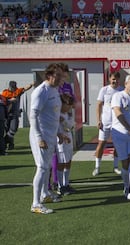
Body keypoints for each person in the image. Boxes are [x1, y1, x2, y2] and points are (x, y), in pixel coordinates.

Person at [29, 63, 65, 214]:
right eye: (58, 76)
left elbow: (53, 116)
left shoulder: (54, 90)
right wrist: (39, 138)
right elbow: (33, 116)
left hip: (50, 135)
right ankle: (36, 204)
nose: (61, 79)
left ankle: (44, 194)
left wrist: (58, 132)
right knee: (42, 168)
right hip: (42, 136)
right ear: (49, 75)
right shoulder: (40, 91)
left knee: (47, 167)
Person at [92, 72, 123, 176]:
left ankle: (115, 167)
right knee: (101, 144)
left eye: (117, 79)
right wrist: (98, 120)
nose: (115, 81)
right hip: (105, 122)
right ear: (109, 79)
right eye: (113, 79)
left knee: (117, 145)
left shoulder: (122, 90)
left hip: (117, 123)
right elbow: (99, 105)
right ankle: (97, 167)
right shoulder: (104, 90)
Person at [2, 80, 33, 150]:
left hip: (14, 114)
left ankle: (3, 142)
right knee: (7, 130)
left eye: (15, 86)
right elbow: (3, 101)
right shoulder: (5, 92)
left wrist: (31, 84)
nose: (14, 88)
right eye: (13, 87)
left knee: (13, 129)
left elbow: (25, 88)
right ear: (9, 87)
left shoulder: (17, 91)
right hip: (6, 114)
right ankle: (10, 145)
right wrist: (10, 100)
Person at [56, 94, 75, 196]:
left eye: (70, 105)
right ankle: (60, 186)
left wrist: (65, 122)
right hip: (60, 142)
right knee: (61, 162)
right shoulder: (57, 114)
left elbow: (71, 126)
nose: (69, 107)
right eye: (68, 104)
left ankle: (66, 184)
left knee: (68, 162)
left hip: (69, 140)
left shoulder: (68, 114)